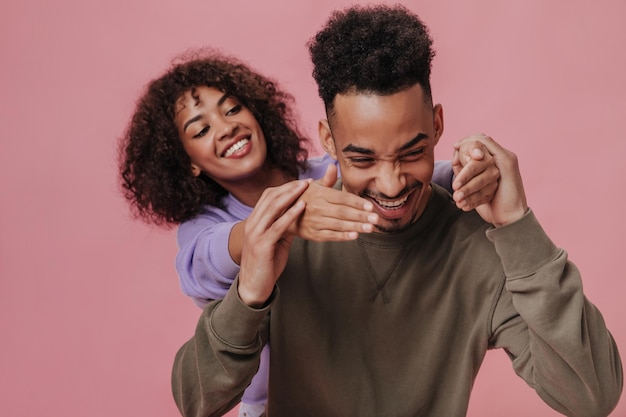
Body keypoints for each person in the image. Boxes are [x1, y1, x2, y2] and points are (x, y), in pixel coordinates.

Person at [170, 5, 623, 417]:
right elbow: (197, 401)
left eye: (412, 152)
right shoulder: (294, 233)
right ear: (328, 141)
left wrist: (517, 224)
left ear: (437, 125)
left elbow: (592, 396)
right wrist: (250, 291)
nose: (391, 184)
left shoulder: (482, 246)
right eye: (363, 159)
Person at [118, 49, 500, 417]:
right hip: (265, 399)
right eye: (201, 129)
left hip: (345, 378)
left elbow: (386, 173)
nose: (226, 126)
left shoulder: (322, 174)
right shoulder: (204, 228)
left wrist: (466, 171)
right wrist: (279, 221)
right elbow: (202, 263)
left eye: (232, 108)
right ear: (189, 164)